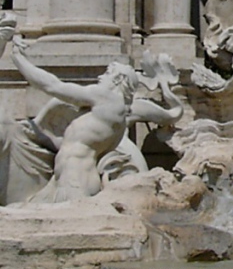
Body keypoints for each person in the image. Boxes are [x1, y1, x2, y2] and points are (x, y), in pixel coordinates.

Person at [11, 36, 183, 202]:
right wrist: (41, 137)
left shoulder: (107, 98)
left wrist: (18, 58)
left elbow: (53, 86)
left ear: (118, 79)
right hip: (67, 179)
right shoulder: (117, 116)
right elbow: (76, 145)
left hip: (74, 182)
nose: (100, 77)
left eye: (107, 73)